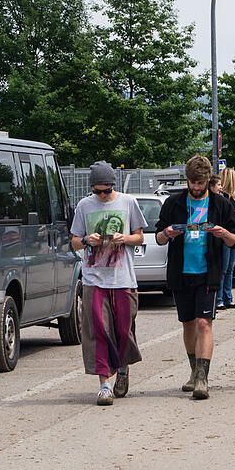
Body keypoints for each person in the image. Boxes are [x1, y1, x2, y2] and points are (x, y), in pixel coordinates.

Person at [155, 155, 235, 400]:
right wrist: (167, 233)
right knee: (188, 324)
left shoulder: (220, 204)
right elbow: (159, 238)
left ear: (208, 180)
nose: (196, 187)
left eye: (200, 182)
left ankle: (203, 378)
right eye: (192, 182)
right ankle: (194, 371)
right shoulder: (173, 203)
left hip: (208, 272)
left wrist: (222, 233)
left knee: (204, 323)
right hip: (181, 273)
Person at [70, 161, 148, 406]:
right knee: (98, 330)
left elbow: (140, 237)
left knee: (123, 330)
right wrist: (86, 240)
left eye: (107, 190)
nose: (103, 195)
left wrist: (124, 238)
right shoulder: (84, 206)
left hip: (123, 279)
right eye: (98, 191)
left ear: (113, 185)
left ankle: (123, 370)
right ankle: (104, 385)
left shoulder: (128, 202)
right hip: (94, 279)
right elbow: (74, 241)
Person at [214, 169, 235, 311]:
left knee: (229, 268)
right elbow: (222, 217)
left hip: (234, 236)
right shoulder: (222, 198)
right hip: (225, 237)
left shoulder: (232, 197)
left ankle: (228, 297)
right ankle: (219, 299)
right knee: (224, 268)